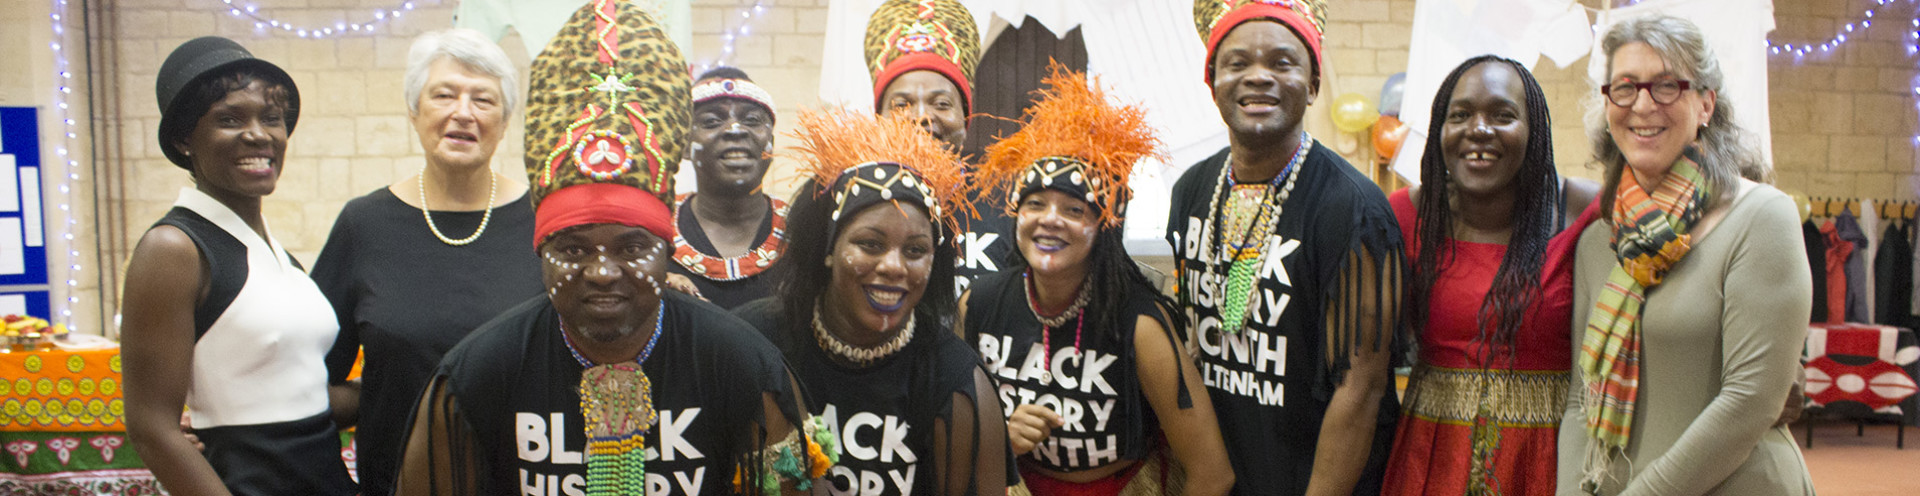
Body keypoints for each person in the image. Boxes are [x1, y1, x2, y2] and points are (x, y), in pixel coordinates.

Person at [392, 2, 830, 494]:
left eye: (631, 247)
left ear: (669, 252)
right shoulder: (479, 375)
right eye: (574, 250)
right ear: (540, 253)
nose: (602, 272)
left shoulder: (742, 366)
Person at [1557, 15, 1813, 495]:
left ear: (1706, 105)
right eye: (1625, 88)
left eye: (1667, 86)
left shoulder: (1761, 219)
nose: (1644, 105)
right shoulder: (1598, 240)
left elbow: (1750, 401)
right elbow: (1579, 401)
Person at [962, 68, 1234, 495]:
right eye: (1035, 204)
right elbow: (950, 448)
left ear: (1102, 227)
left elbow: (1213, 473)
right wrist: (998, 440)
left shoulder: (1142, 325)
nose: (1050, 220)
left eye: (1073, 210)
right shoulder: (978, 304)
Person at [1167, 1, 1402, 494]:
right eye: (1237, 63)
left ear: (1313, 84)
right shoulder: (1191, 190)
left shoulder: (1355, 211)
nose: (1258, 77)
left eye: (1282, 62)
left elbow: (1361, 390)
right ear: (1211, 82)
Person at [120, 36, 357, 495]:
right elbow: (152, 429)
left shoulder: (272, 252)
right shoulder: (173, 249)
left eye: (272, 119)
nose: (259, 134)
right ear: (183, 140)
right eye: (229, 119)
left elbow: (297, 396)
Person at [310, 28, 539, 496]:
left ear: (505, 119)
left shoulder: (545, 221)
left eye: (484, 100)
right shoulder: (364, 225)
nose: (463, 112)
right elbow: (312, 377)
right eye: (444, 95)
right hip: (397, 483)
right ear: (414, 111)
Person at [733, 109, 1009, 496]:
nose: (894, 266)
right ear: (829, 248)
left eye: (915, 250)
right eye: (870, 244)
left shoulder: (958, 381)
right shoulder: (754, 344)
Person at [1380, 55, 1600, 496]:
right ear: (1440, 129)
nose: (1478, 129)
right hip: (1429, 459)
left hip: (1545, 460)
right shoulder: (1407, 214)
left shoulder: (1583, 211)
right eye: (1459, 115)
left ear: (1534, 130)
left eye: (1503, 115)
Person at [863, 0, 1011, 294]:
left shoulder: (1007, 204)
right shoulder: (850, 199)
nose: (922, 117)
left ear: (965, 117)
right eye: (902, 104)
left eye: (941, 104)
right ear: (880, 119)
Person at [665, 67, 787, 309]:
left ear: (771, 142)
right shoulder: (653, 233)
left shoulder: (805, 231)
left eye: (752, 120)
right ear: (685, 146)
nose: (735, 130)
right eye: (712, 121)